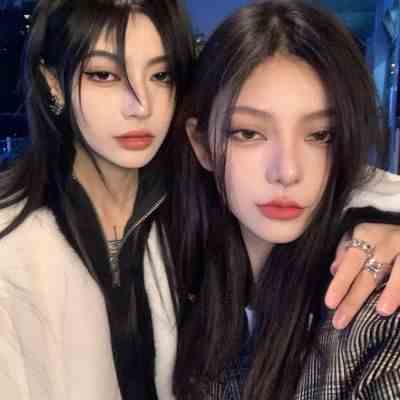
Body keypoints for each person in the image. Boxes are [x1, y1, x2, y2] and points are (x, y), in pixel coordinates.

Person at [1, 1, 400, 400]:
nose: (140, 105)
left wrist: (389, 222)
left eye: (321, 135)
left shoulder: (369, 314)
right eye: (104, 74)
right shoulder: (187, 245)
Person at [170, 1, 400, 399]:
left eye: (320, 135)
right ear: (202, 144)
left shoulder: (373, 311)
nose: (287, 171)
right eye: (248, 133)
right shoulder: (169, 278)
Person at [0, 1, 193, 399]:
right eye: (104, 75)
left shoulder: (196, 213)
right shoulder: (11, 246)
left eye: (160, 75)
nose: (141, 105)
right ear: (53, 82)